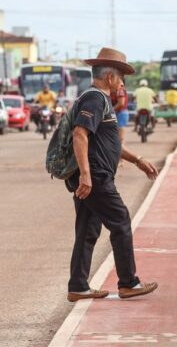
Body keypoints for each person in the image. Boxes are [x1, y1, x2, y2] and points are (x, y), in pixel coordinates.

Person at [66, 47, 159, 302]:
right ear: (109, 77)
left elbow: (110, 143)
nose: (121, 84)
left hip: (92, 175)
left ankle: (78, 286)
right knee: (120, 221)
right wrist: (86, 175)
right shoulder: (95, 99)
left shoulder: (101, 100)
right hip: (95, 176)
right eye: (120, 78)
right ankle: (129, 282)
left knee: (87, 230)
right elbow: (79, 134)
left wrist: (137, 160)